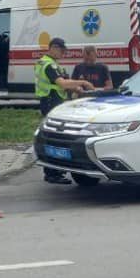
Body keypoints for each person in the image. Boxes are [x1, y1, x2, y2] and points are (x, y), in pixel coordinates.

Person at [34, 37, 95, 184]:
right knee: (53, 137)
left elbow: (64, 82)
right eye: (62, 51)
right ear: (53, 48)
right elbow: (61, 83)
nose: (63, 54)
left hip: (54, 102)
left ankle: (56, 170)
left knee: (57, 136)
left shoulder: (51, 63)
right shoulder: (49, 65)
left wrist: (75, 87)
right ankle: (51, 173)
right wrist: (83, 82)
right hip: (50, 102)